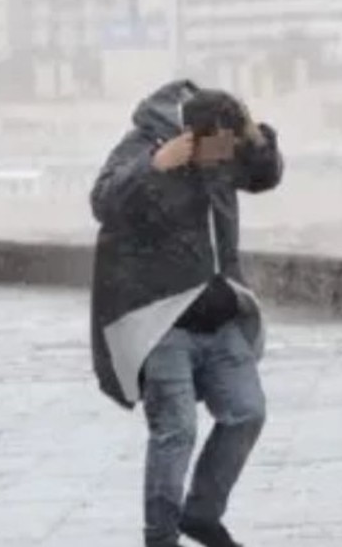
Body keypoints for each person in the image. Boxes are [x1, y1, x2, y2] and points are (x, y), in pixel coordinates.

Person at [89, 80, 284, 547]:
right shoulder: (144, 144)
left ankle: (201, 513)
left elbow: (263, 175)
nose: (222, 157)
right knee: (175, 430)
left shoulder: (223, 142)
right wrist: (155, 165)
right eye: (215, 146)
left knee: (247, 412)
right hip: (161, 321)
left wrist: (256, 136)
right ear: (189, 134)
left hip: (220, 312)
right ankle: (160, 538)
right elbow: (103, 201)